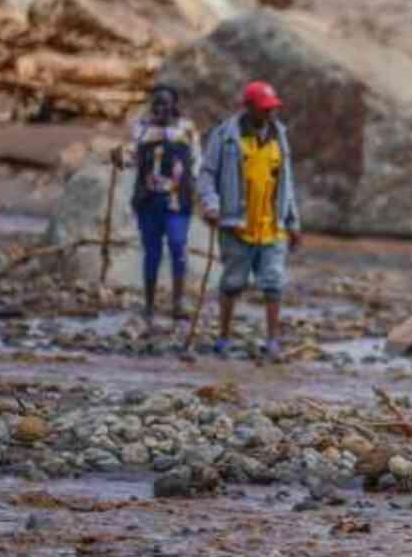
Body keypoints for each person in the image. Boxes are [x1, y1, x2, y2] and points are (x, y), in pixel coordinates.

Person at [198, 80, 301, 358]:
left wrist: (293, 222)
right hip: (237, 225)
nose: (270, 114)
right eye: (264, 109)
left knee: (273, 284)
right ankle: (224, 337)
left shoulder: (279, 136)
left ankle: (273, 341)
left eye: (272, 109)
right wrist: (211, 205)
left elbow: (286, 183)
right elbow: (207, 174)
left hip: (272, 225)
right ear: (248, 108)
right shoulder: (226, 136)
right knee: (232, 283)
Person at [113, 84, 201, 326]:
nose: (160, 107)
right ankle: (149, 305)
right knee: (152, 253)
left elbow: (196, 162)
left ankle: (178, 303)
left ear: (175, 105)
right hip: (148, 201)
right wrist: (120, 157)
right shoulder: (141, 129)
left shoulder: (187, 129)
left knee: (177, 246)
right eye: (156, 103)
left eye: (165, 103)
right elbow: (130, 158)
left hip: (176, 201)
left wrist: (198, 190)